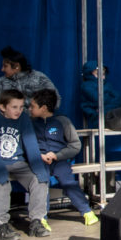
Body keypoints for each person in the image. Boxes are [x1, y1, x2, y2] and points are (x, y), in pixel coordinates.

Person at [0, 89, 50, 240]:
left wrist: (40, 171)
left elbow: (31, 145)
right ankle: (1, 226)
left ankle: (36, 221)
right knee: (1, 183)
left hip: (17, 162)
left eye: (21, 107)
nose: (18, 111)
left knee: (39, 180)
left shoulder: (24, 119)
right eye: (14, 107)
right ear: (3, 107)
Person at [29, 88, 98, 226]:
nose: (29, 109)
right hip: (39, 160)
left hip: (59, 161)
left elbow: (75, 145)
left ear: (43, 108)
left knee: (68, 182)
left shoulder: (63, 121)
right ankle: (41, 218)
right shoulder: (29, 123)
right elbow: (27, 144)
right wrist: (39, 155)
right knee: (42, 183)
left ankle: (86, 211)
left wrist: (56, 155)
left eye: (32, 106)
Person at [0, 46, 60, 110]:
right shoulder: (1, 82)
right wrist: (12, 109)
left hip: (38, 121)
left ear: (16, 66)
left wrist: (35, 111)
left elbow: (55, 100)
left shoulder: (39, 78)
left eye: (5, 66)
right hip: (10, 123)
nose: (2, 69)